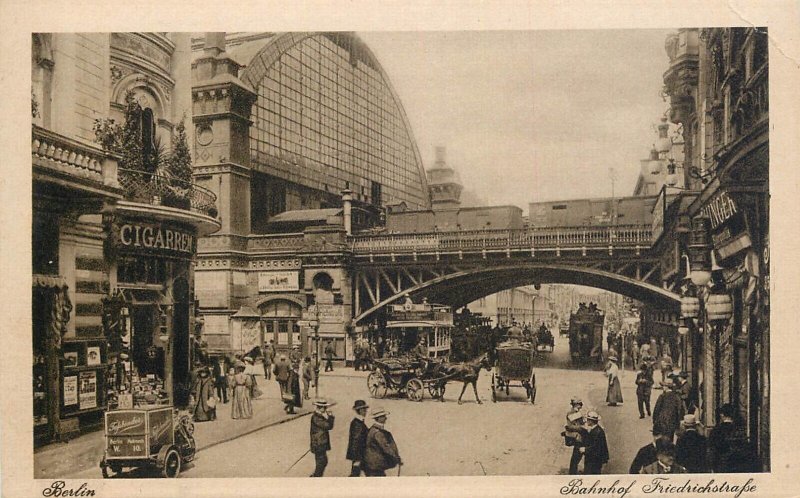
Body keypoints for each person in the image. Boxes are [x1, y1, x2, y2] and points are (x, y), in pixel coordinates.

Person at [364, 407, 402, 476]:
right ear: (378, 418)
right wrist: (396, 458)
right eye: (383, 416)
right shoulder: (377, 433)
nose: (386, 418)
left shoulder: (373, 430)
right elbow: (386, 447)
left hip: (373, 465)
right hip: (375, 466)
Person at [708, 402, 737, 473]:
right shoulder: (739, 429)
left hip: (720, 464)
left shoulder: (716, 430)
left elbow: (712, 449)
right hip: (737, 464)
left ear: (722, 415)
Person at [309, 398, 335, 477]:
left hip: (320, 443)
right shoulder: (316, 417)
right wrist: (330, 417)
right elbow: (328, 426)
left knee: (323, 461)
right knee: (322, 462)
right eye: (323, 407)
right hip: (318, 444)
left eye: (325, 407)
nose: (325, 409)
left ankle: (316, 476)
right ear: (318, 407)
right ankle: (316, 477)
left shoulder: (319, 416)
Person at [346, 400, 370, 477]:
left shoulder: (359, 422)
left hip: (361, 454)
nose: (366, 411)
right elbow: (355, 441)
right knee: (355, 474)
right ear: (359, 411)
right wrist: (356, 458)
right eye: (364, 410)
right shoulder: (357, 423)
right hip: (359, 455)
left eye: (365, 409)